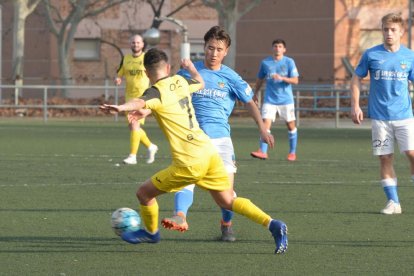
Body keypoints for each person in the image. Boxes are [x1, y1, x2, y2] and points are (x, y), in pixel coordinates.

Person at [100, 48, 288, 254]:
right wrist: (190, 68)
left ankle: (151, 233)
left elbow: (141, 100)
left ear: (145, 73)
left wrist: (121, 108)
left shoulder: (155, 91)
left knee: (144, 194)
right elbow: (200, 82)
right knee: (227, 200)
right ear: (169, 68)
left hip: (190, 160)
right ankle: (273, 224)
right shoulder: (180, 82)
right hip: (209, 152)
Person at [160, 26, 272, 242]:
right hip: (192, 137)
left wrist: (262, 128)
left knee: (226, 191)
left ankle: (226, 225)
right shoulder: (188, 72)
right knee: (186, 179)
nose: (213, 53)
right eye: (210, 48)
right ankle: (180, 216)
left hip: (221, 139)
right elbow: (168, 94)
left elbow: (250, 102)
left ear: (226, 51)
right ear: (204, 47)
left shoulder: (231, 77)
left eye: (219, 49)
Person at [351, 13, 414, 215]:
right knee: (385, 158)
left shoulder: (409, 56)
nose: (389, 33)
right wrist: (356, 105)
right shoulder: (371, 54)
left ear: (401, 32)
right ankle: (393, 202)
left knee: (412, 154)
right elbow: (356, 78)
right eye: (385, 29)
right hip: (380, 117)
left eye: (393, 30)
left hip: (404, 116)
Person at [250, 39, 299, 161]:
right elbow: (260, 79)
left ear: (284, 49)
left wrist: (282, 78)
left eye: (280, 46)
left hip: (286, 100)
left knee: (291, 125)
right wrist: (255, 93)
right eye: (275, 46)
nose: (277, 48)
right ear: (272, 48)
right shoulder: (266, 63)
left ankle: (292, 153)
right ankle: (263, 151)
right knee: (265, 124)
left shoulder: (289, 62)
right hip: (269, 99)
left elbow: (295, 80)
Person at [115, 34, 158, 165]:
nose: (135, 45)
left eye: (138, 43)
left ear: (142, 44)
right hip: (129, 96)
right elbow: (120, 73)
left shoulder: (146, 58)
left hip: (142, 97)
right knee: (133, 126)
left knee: (134, 124)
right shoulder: (126, 58)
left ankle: (133, 156)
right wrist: (118, 78)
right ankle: (151, 146)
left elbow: (155, 73)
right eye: (133, 42)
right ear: (130, 44)